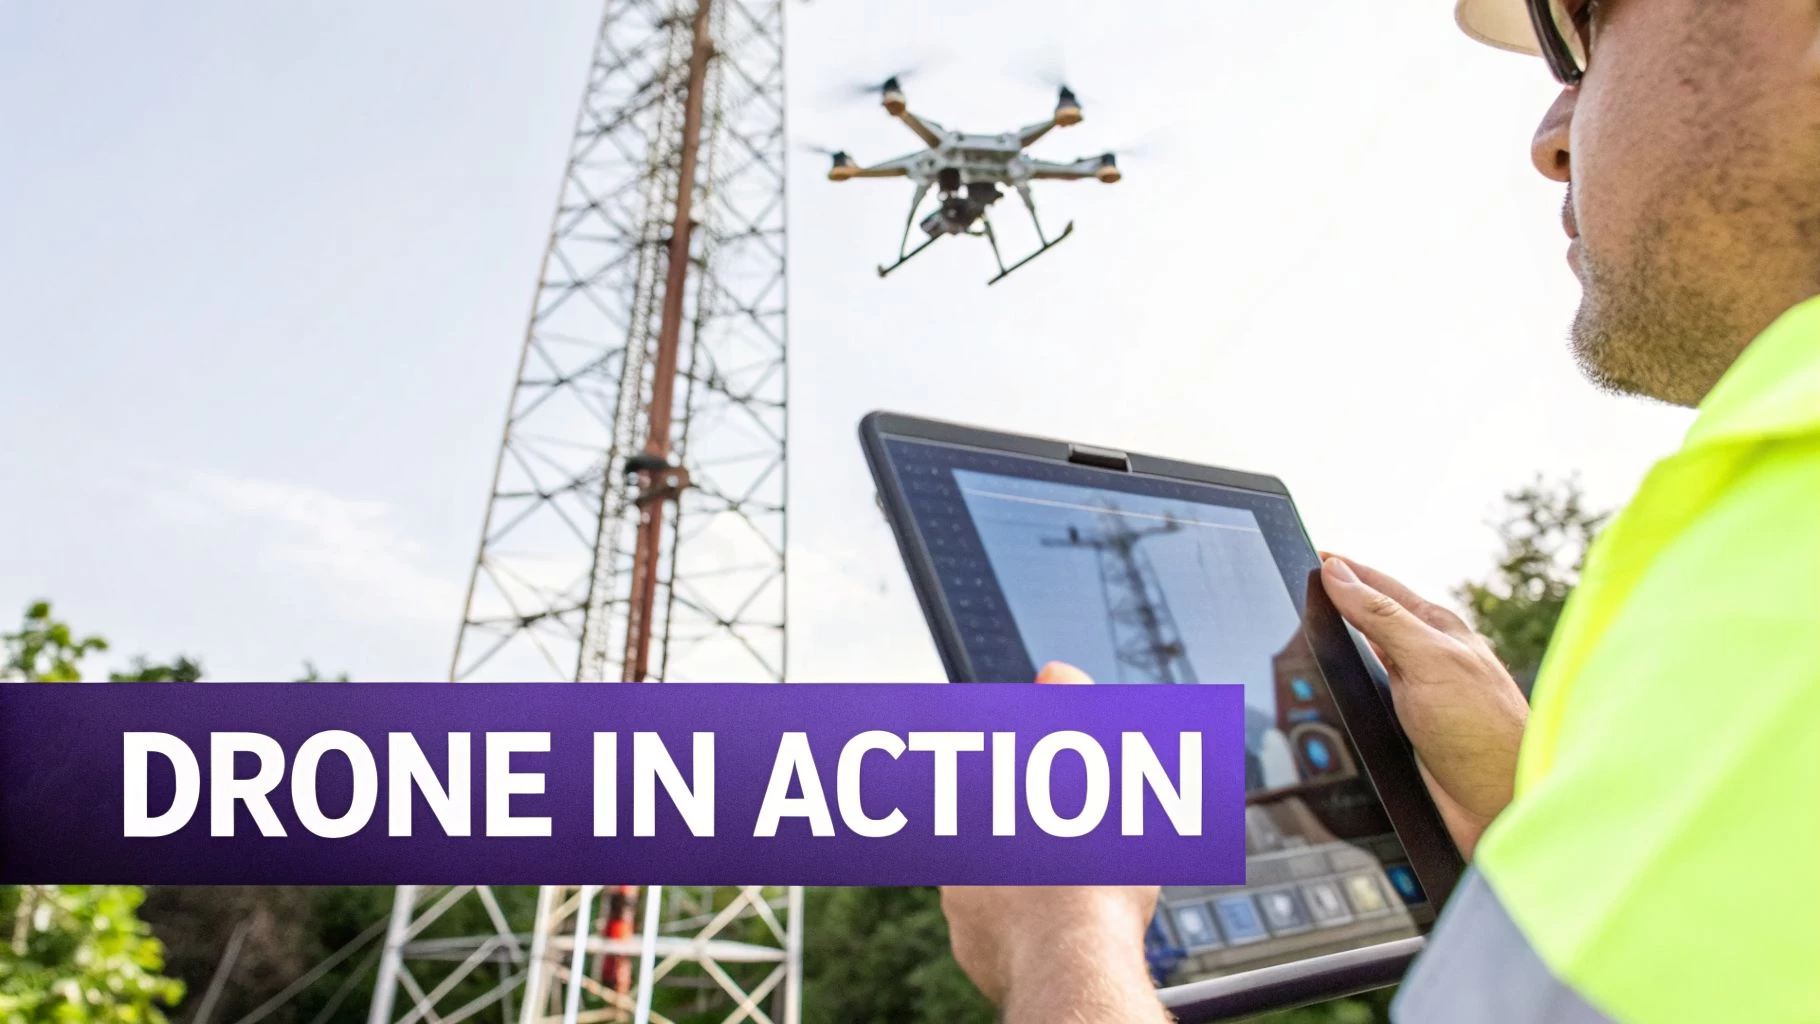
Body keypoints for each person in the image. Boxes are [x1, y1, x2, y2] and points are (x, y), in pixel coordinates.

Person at [939, 0, 1820, 1020]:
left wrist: (1061, 949)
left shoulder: (1782, 544)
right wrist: (1519, 814)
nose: (1547, 139)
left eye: (1578, 34)